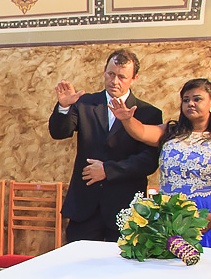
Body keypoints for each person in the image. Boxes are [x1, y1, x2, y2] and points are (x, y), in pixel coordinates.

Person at [110, 79, 211, 249]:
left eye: (197, 99)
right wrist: (127, 120)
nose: (191, 104)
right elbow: (142, 132)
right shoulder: (170, 132)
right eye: (186, 100)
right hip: (170, 215)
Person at [49, 50, 163, 242]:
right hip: (85, 207)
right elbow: (59, 132)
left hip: (124, 208)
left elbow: (148, 162)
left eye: (122, 77)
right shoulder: (85, 103)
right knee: (79, 259)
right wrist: (64, 107)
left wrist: (108, 170)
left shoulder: (148, 113)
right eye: (111, 74)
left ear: (134, 79)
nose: (114, 81)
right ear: (104, 71)